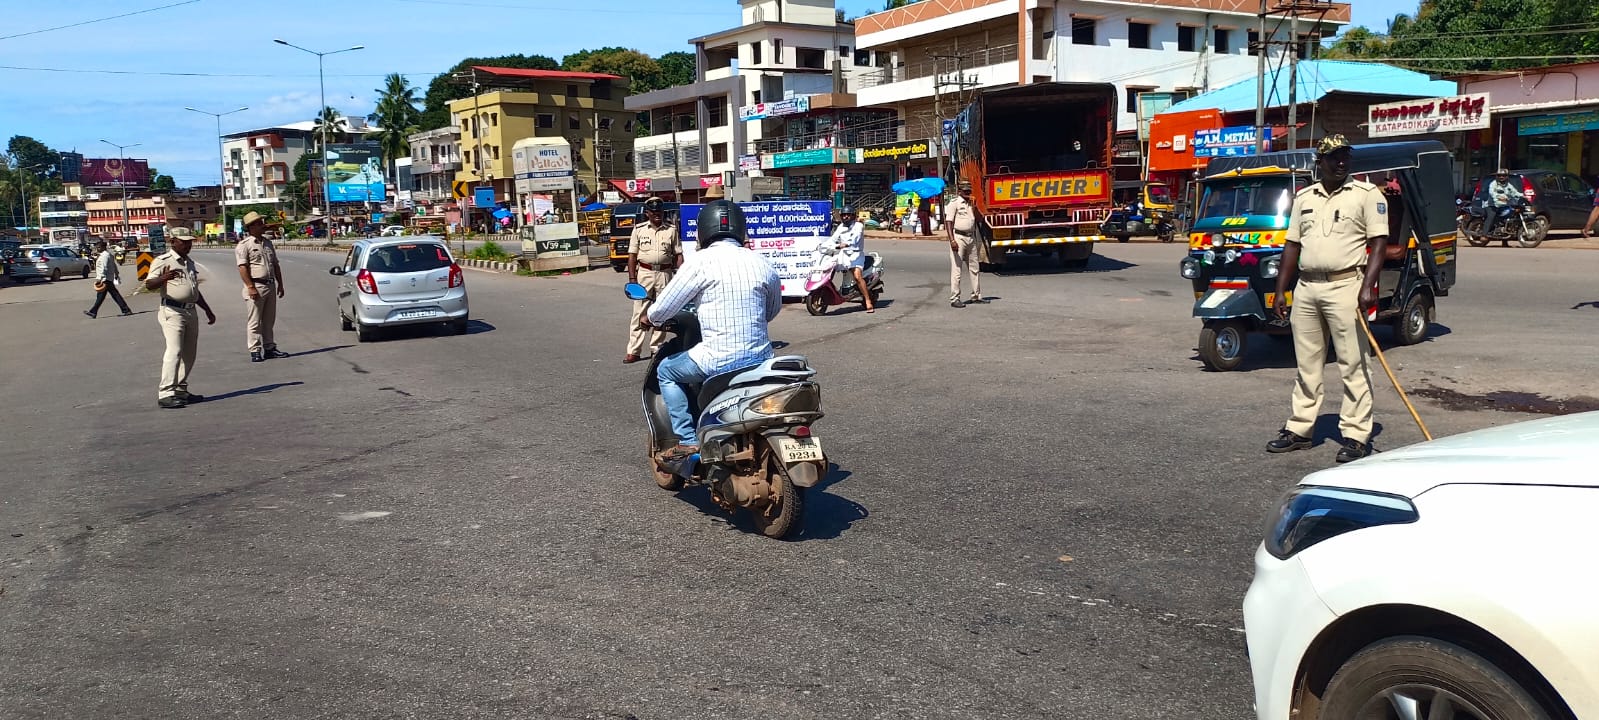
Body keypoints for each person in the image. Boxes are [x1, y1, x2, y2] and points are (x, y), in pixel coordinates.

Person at [1267, 135, 1387, 463]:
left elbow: (1378, 243)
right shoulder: (1305, 197)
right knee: (1307, 364)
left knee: (1354, 363)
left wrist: (1368, 287)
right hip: (1307, 287)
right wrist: (1282, 289)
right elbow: (1292, 245)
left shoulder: (1366, 194)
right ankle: (1300, 429)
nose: (1341, 162)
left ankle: (1357, 435)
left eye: (1345, 156)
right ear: (1320, 161)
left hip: (1346, 284)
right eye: (1334, 157)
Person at [641, 201, 783, 459]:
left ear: (703, 231)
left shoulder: (700, 262)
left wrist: (649, 317)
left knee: (667, 370)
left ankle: (687, 439)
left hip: (718, 360)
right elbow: (771, 312)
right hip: (761, 361)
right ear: (741, 229)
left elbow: (661, 310)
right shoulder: (762, 262)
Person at [145, 228, 217, 409]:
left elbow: (194, 291)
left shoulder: (189, 262)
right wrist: (164, 277)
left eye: (190, 242)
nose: (188, 245)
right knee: (175, 350)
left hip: (191, 311)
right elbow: (149, 284)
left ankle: (180, 389)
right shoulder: (162, 261)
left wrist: (207, 310)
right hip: (172, 311)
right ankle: (166, 392)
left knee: (189, 354)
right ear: (173, 242)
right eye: (183, 242)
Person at [624, 196, 682, 364]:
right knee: (639, 312)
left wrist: (679, 274)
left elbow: (678, 254)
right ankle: (633, 350)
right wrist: (632, 279)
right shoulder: (639, 229)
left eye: (660, 212)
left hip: (665, 274)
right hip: (644, 274)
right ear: (647, 213)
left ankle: (656, 348)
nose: (657, 214)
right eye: (654, 212)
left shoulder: (671, 230)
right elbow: (632, 255)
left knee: (661, 311)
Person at [235, 211, 287, 362]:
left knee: (269, 320)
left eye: (261, 222)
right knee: (255, 321)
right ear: (250, 227)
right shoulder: (244, 245)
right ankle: (255, 350)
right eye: (258, 223)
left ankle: (269, 347)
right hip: (256, 285)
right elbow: (242, 267)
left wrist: (280, 284)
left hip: (270, 285)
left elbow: (275, 265)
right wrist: (250, 286)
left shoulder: (267, 242)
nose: (262, 225)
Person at [944, 180, 985, 308]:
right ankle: (955, 298)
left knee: (975, 268)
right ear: (959, 191)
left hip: (971, 237)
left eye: (969, 191)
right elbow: (948, 222)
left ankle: (976, 295)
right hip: (959, 237)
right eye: (965, 191)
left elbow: (980, 219)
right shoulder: (954, 203)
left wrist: (975, 207)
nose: (968, 193)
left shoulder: (970, 204)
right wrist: (952, 240)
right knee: (957, 269)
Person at [828, 207, 875, 313]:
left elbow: (856, 238)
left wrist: (847, 243)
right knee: (830, 268)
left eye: (848, 215)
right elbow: (833, 239)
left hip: (856, 255)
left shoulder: (858, 226)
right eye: (843, 215)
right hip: (844, 254)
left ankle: (868, 300)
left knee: (857, 276)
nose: (845, 217)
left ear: (853, 215)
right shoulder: (841, 227)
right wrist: (823, 245)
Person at [83, 240, 132, 318]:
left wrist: (100, 278)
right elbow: (114, 265)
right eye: (97, 247)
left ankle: (93, 311)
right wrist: (116, 273)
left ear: (103, 247)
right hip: (108, 278)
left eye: (99, 247)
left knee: (104, 296)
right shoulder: (107, 255)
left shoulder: (105, 256)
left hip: (105, 279)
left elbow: (104, 267)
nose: (97, 249)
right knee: (111, 295)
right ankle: (125, 310)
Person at [1479, 169, 1524, 243]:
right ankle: (1484, 235)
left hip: (1502, 205)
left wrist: (1523, 196)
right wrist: (1498, 197)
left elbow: (1514, 192)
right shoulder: (1493, 184)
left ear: (1507, 176)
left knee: (1507, 218)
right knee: (1491, 217)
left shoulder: (1508, 185)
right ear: (1497, 176)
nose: (1501, 177)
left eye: (1503, 175)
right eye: (1499, 175)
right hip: (1491, 205)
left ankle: (1504, 240)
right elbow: (1492, 192)